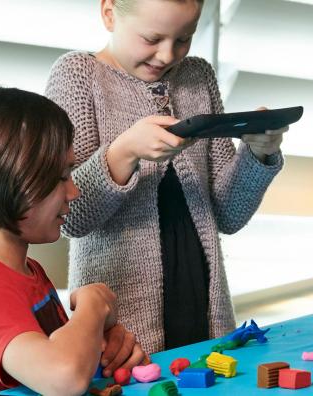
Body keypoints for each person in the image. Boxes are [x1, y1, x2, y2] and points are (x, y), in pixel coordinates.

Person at [45, 0, 287, 353]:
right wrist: (124, 152)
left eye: (184, 39)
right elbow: (72, 218)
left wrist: (258, 152)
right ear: (109, 13)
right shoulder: (78, 76)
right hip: (120, 322)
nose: (166, 54)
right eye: (151, 37)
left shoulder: (197, 78)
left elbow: (228, 215)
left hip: (202, 305)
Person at [0, 88, 144, 395]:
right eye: (61, 176)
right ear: (9, 180)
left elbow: (63, 359)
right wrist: (92, 303)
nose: (74, 192)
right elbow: (63, 377)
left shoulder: (27, 271)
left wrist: (103, 347)